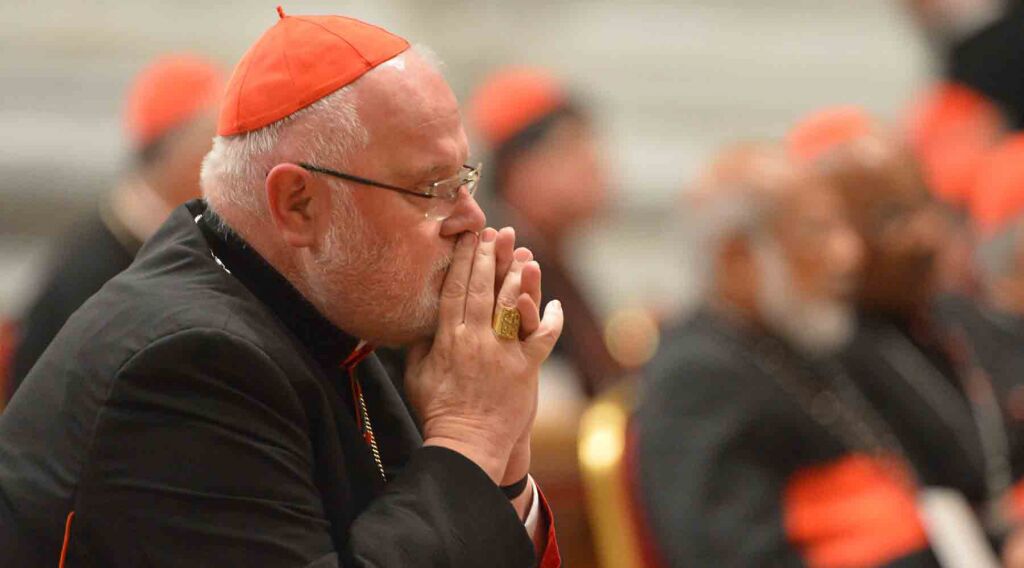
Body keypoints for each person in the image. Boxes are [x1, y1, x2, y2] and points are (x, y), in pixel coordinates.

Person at [0, 9, 563, 567]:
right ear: (298, 204)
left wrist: (504, 461)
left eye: (464, 178)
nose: (471, 218)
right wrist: (469, 434)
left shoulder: (342, 311)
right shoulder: (189, 368)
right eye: (430, 187)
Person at [634, 143, 939, 565]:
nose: (847, 254)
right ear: (737, 258)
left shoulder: (796, 344)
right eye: (817, 232)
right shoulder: (697, 379)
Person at [796, 109, 1024, 553]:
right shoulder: (825, 358)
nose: (927, 233)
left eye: (927, 204)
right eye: (893, 218)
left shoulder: (957, 317)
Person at [5, 53, 225, 400]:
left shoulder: (170, 240)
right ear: (172, 149)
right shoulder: (91, 274)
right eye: (217, 138)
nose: (230, 154)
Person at [467, 67, 621, 398]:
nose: (594, 164)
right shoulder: (500, 266)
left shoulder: (553, 254)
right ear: (516, 168)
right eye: (571, 148)